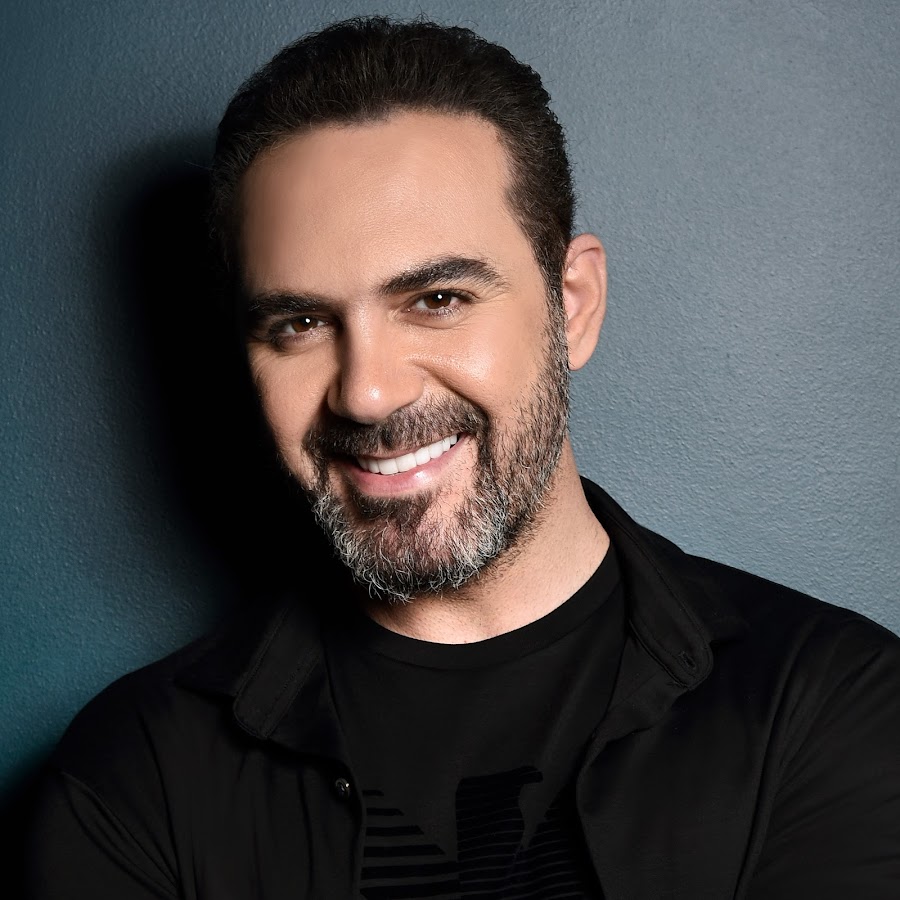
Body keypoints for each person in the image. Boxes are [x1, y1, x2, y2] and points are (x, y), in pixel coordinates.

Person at [27, 16, 900, 899]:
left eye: (437, 299)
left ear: (573, 304)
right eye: (301, 322)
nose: (368, 393)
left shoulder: (830, 706)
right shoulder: (134, 781)